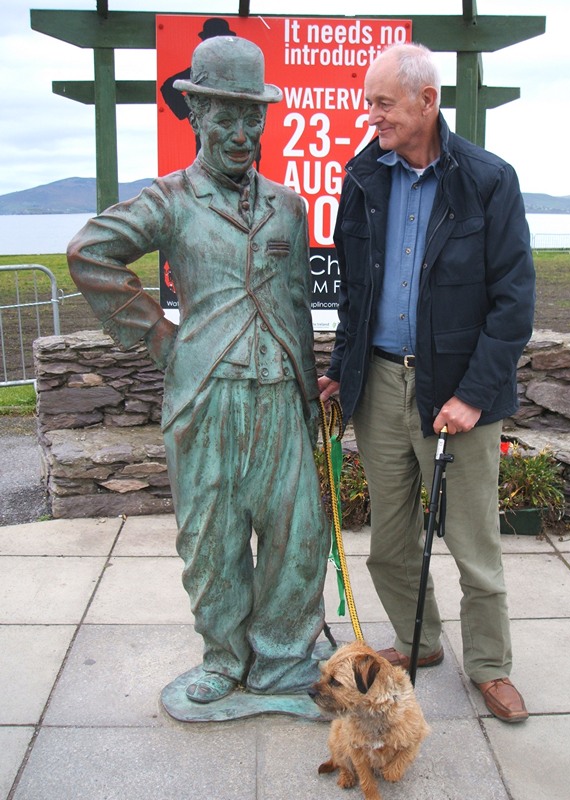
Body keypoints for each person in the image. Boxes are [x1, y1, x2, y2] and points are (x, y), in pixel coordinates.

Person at [68, 36, 329, 704]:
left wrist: (307, 393)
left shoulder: (289, 208)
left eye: (253, 118)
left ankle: (281, 659)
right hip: (206, 398)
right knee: (210, 540)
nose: (242, 134)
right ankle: (222, 657)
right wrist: (160, 337)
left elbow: (297, 303)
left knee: (296, 537)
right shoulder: (172, 200)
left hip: (278, 395)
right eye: (226, 118)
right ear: (197, 117)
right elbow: (91, 252)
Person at [318, 43, 535, 723]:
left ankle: (492, 667)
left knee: (474, 543)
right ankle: (425, 639)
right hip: (380, 383)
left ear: (426, 101)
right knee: (388, 541)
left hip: (459, 391)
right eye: (368, 101)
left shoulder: (488, 180)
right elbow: (356, 291)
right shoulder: (363, 178)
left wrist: (472, 395)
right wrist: (338, 366)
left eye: (382, 103)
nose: (370, 114)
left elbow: (514, 301)